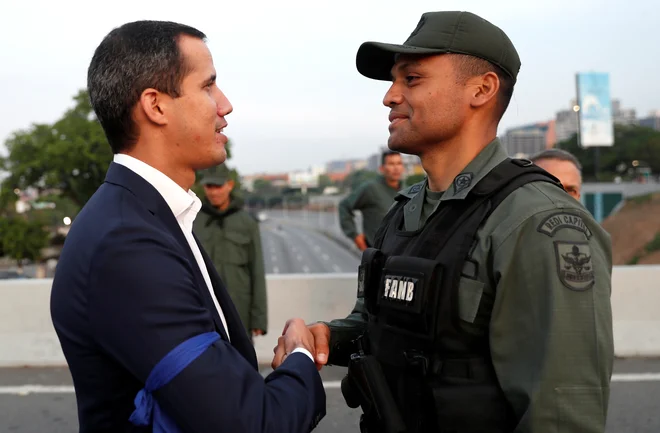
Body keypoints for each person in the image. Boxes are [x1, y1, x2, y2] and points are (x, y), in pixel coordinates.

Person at [273, 11, 613, 433]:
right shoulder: (407, 209)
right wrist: (325, 334)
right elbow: (385, 326)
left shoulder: (537, 221)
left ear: (482, 89)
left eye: (412, 79)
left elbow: (563, 415)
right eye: (393, 81)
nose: (390, 97)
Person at [50, 20, 325, 432]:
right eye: (208, 86)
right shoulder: (126, 243)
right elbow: (252, 424)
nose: (225, 104)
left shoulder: (150, 214)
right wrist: (301, 354)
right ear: (156, 105)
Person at [194, 163, 268, 342]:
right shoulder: (193, 220)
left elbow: (256, 270)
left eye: (218, 186)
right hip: (204, 311)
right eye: (209, 187)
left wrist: (259, 318)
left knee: (242, 363)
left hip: (239, 311)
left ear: (230, 185)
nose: (214, 192)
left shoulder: (247, 223)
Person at [338, 150, 404, 251]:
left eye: (399, 163)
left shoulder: (408, 191)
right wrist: (355, 236)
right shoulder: (370, 188)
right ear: (382, 168)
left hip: (401, 254)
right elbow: (344, 206)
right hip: (376, 254)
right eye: (391, 164)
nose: (396, 168)